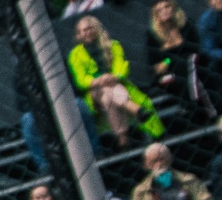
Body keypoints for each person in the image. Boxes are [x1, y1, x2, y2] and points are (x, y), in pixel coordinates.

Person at [67, 15, 161, 149]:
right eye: (84, 30)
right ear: (79, 34)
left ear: (97, 29)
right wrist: (99, 80)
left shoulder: (113, 45)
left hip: (114, 86)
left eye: (91, 28)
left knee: (108, 97)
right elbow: (80, 80)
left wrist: (113, 77)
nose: (88, 32)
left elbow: (121, 66)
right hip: (94, 91)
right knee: (106, 90)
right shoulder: (75, 54)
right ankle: (135, 108)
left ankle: (123, 139)